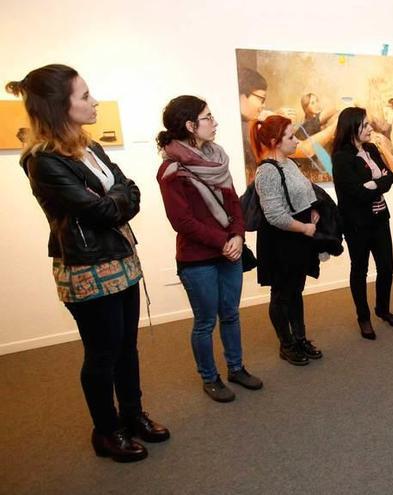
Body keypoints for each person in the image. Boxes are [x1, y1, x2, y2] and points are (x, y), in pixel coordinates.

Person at [7, 64, 168, 463]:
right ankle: (106, 431)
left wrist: (117, 199)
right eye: (84, 96)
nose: (94, 102)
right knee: (102, 353)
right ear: (59, 106)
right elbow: (100, 211)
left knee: (127, 347)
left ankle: (133, 416)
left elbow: (130, 190)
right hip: (86, 269)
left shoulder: (90, 147)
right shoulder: (43, 161)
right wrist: (117, 201)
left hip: (121, 260)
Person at [157, 96, 263, 403]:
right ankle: (210, 377)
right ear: (190, 126)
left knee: (230, 314)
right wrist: (223, 242)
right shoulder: (171, 170)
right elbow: (183, 222)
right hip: (198, 259)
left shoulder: (218, 159)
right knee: (205, 322)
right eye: (208, 117)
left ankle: (236, 367)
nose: (214, 123)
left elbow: (234, 203)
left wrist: (238, 236)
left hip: (230, 250)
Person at [251, 115, 324, 365]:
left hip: (297, 239)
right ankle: (287, 344)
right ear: (275, 141)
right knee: (281, 294)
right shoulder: (267, 172)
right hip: (281, 242)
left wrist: (313, 209)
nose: (296, 141)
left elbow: (304, 191)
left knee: (296, 290)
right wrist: (304, 228)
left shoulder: (290, 164)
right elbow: (274, 215)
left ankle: (300, 338)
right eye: (291, 137)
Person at [332, 107, 393, 340]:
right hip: (357, 224)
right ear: (352, 128)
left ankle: (383, 309)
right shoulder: (341, 157)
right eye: (365, 125)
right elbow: (355, 193)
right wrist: (375, 182)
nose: (370, 128)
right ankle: (363, 317)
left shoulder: (371, 148)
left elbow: (389, 177)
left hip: (381, 218)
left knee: (386, 267)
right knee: (359, 270)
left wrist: (374, 184)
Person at [237, 68, 268, 184]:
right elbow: (306, 149)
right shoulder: (247, 129)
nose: (263, 105)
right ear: (242, 96)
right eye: (261, 99)